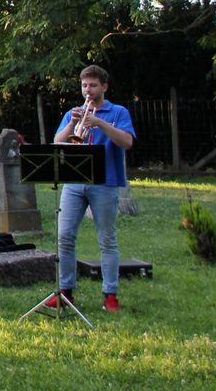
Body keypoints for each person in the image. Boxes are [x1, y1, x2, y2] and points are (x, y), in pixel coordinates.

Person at [50, 64, 135, 313]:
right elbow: (58, 142)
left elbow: (127, 142)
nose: (88, 90)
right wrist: (73, 124)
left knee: (106, 240)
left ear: (104, 87)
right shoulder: (72, 113)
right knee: (64, 237)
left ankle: (110, 295)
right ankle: (65, 292)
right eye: (85, 85)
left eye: (93, 85)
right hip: (74, 183)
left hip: (105, 183)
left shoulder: (118, 112)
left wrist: (99, 123)